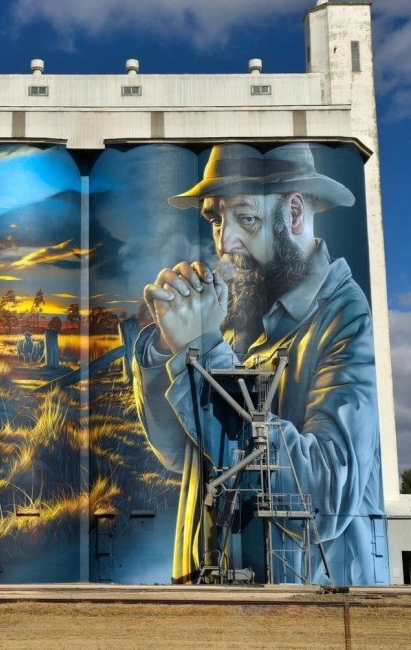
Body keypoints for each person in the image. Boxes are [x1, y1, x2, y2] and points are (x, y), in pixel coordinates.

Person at [133, 143, 388, 585]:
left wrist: (206, 348)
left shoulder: (343, 316)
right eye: (216, 219)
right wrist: (167, 348)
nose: (225, 241)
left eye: (245, 218)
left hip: (307, 608)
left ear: (293, 213)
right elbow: (178, 453)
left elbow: (326, 491)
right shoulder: (239, 312)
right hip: (212, 588)